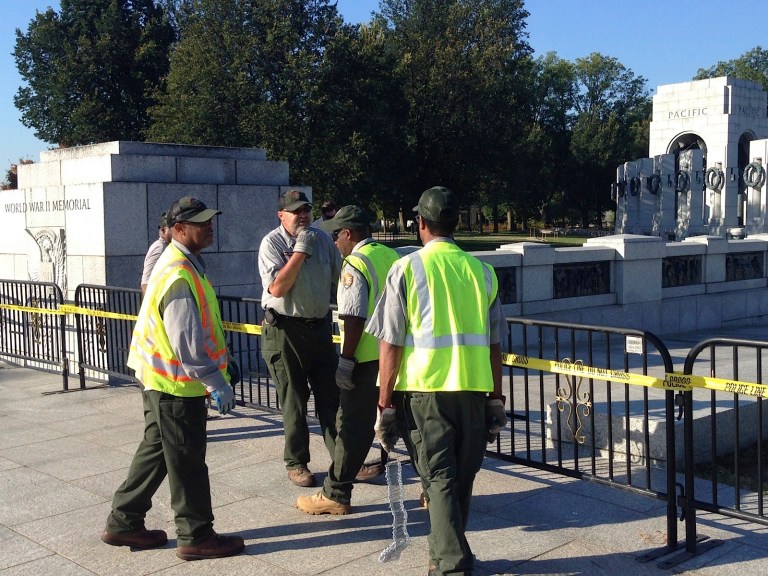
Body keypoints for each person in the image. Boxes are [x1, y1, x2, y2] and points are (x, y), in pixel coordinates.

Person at [366, 186, 508, 576]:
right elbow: (495, 344)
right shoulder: (482, 272)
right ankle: (449, 550)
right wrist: (496, 397)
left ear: (421, 224)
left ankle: (449, 565)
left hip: (427, 393)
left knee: (439, 477)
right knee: (460, 476)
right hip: (473, 393)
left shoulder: (407, 269)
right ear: (456, 224)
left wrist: (385, 403)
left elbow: (390, 343)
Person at [102, 196, 244, 561]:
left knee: (157, 452)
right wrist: (216, 381)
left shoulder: (181, 264)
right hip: (176, 386)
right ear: (179, 229)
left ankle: (123, 521)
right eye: (201, 222)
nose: (210, 226)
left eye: (211, 220)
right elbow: (186, 341)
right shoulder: (180, 272)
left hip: (158, 379)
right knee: (187, 461)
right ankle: (196, 535)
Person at [296, 205, 399, 515]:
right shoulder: (391, 256)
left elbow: (353, 317)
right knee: (407, 424)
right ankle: (433, 493)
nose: (334, 242)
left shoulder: (354, 264)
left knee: (352, 427)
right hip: (397, 358)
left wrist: (346, 360)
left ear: (349, 234)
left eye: (336, 236)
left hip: (367, 361)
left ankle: (336, 493)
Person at [258, 189, 342, 487]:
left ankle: (343, 461)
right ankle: (297, 463)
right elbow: (278, 288)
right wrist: (300, 251)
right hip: (285, 330)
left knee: (331, 396)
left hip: (318, 328)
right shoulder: (272, 243)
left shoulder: (321, 240)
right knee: (293, 399)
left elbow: (341, 276)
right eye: (296, 211)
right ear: (282, 215)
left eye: (306, 209)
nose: (304, 215)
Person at [140, 211, 172, 294]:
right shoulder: (160, 247)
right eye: (172, 229)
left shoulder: (169, 246)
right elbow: (145, 283)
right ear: (163, 230)